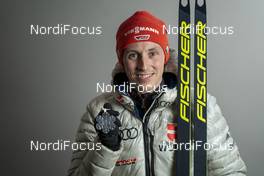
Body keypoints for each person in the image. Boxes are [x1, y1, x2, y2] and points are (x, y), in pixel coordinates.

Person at [67, 11, 247, 176]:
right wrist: (106, 147)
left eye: (152, 53)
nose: (143, 65)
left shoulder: (199, 104)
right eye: (132, 55)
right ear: (122, 60)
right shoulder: (99, 111)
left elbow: (231, 172)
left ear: (165, 56)